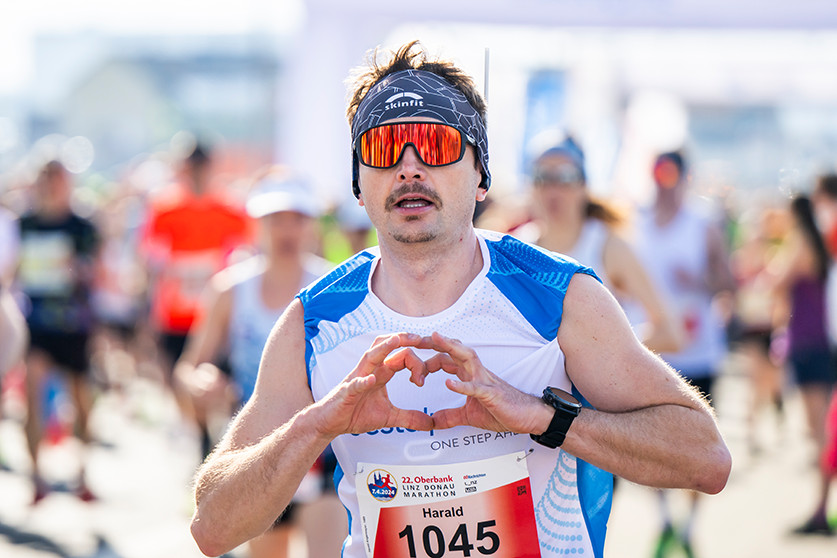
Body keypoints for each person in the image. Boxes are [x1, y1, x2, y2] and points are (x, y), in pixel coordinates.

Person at [189, 41, 731, 558]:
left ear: (480, 175)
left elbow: (706, 459)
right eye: (382, 147)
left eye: (436, 144)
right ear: (360, 182)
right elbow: (212, 528)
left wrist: (542, 418)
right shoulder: (314, 321)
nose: (408, 167)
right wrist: (317, 425)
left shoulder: (558, 298)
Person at [175, 167, 345, 556]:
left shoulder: (335, 287)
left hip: (323, 451)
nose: (287, 230)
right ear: (257, 225)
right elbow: (188, 367)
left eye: (298, 218)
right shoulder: (231, 290)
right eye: (276, 219)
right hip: (259, 452)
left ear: (313, 225)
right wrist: (202, 379)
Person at [630, 150, 736, 557]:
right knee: (649, 442)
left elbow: (728, 279)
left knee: (700, 448)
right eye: (659, 173)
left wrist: (698, 280)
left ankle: (689, 527)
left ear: (685, 178)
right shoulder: (637, 221)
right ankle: (665, 521)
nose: (664, 181)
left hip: (701, 350)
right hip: (653, 349)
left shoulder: (703, 224)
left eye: (672, 174)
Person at [519, 135, 683, 354]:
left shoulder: (608, 246)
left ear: (584, 186)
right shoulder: (520, 249)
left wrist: (601, 351)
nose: (553, 190)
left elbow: (671, 334)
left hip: (598, 388)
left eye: (565, 177)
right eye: (542, 177)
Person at [140, 140, 252, 448]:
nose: (196, 175)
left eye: (201, 167)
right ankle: (201, 437)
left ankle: (224, 441)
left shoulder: (230, 209)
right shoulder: (165, 208)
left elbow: (248, 251)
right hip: (177, 313)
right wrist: (150, 308)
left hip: (218, 313)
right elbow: (151, 260)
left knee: (222, 378)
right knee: (182, 378)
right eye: (190, 168)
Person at [17, 159, 100, 503]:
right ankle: (36, 478)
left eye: (58, 179)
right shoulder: (23, 224)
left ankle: (81, 471)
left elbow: (94, 272)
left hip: (74, 325)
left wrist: (76, 269)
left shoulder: (81, 226)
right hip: (35, 325)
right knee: (32, 397)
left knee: (81, 402)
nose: (51, 185)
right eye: (45, 178)